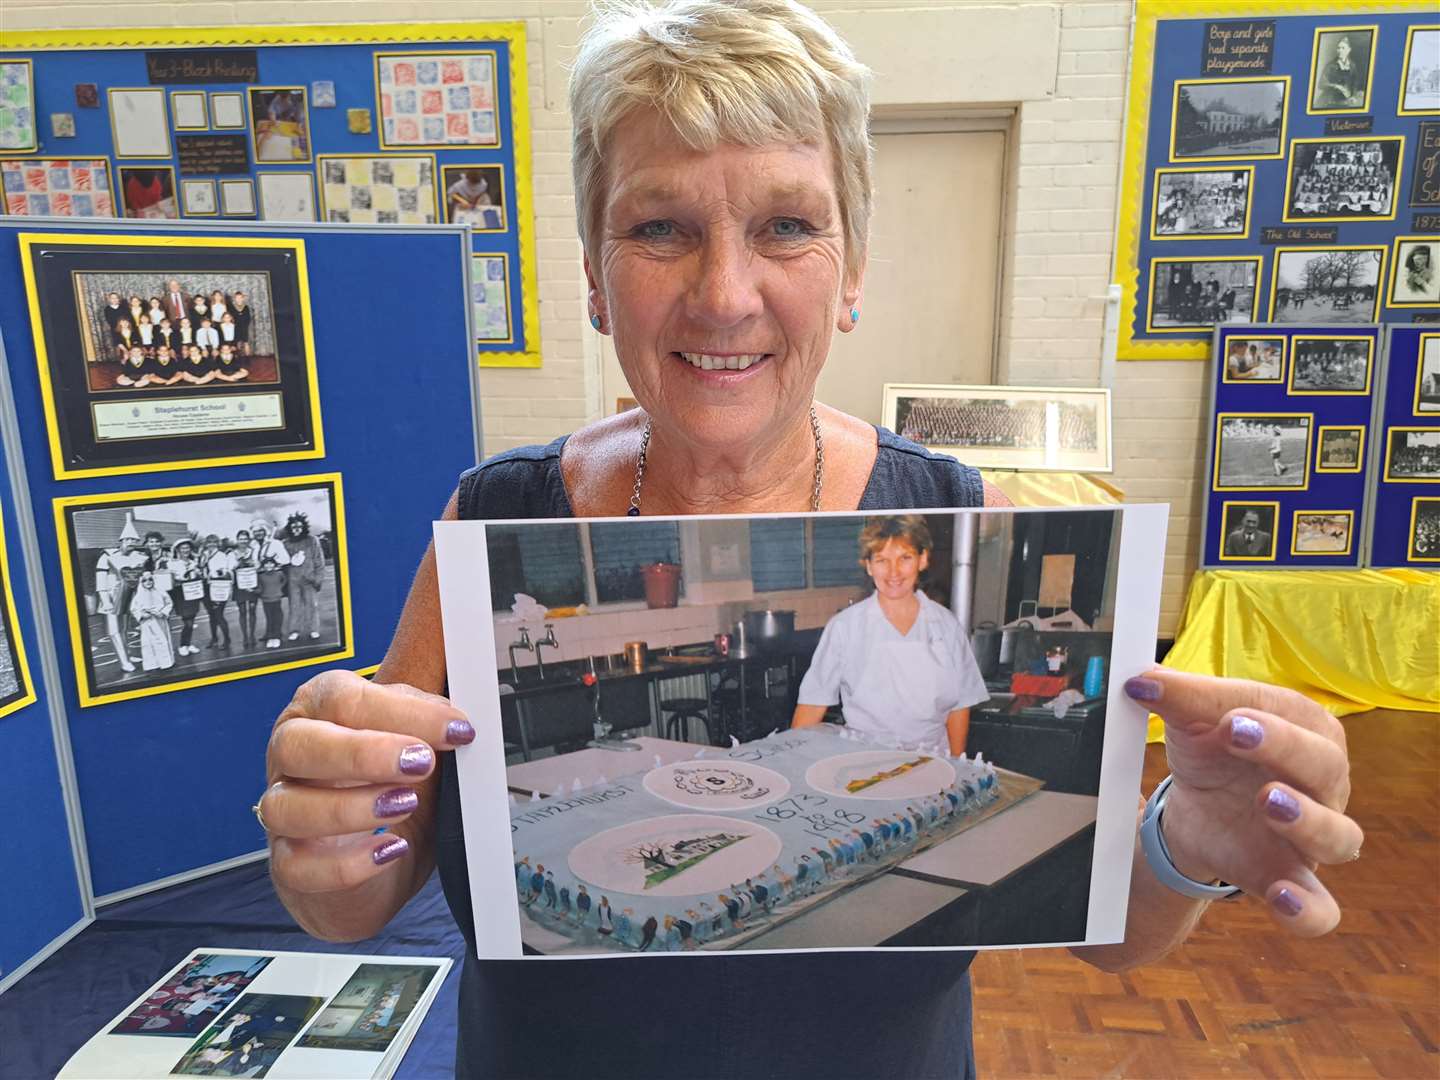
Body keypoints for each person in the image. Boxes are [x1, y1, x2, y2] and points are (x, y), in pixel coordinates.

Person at [258, 4, 1360, 1078]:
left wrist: (1184, 841)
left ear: (854, 271)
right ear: (594, 276)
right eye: (659, 227)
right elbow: (352, 899)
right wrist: (327, 838)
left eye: (786, 225)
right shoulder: (493, 514)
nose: (726, 294)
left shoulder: (954, 501)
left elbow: (1105, 930)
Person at [791, 515, 986, 753]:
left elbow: (960, 704)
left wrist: (957, 767)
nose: (894, 572)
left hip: (933, 764)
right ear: (869, 565)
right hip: (864, 765)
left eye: (905, 558)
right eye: (882, 560)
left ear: (922, 560)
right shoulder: (845, 627)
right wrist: (793, 763)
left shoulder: (946, 624)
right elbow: (812, 704)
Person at [94, 516, 148, 675]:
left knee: (124, 628)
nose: (131, 542)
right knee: (114, 630)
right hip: (110, 597)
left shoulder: (138, 557)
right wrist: (106, 600)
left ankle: (128, 655)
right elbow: (101, 580)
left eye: (134, 539)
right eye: (128, 539)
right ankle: (124, 661)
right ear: (122, 540)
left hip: (127, 596)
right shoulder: (107, 555)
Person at [280, 512, 325, 642]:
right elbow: (283, 563)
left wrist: (318, 579)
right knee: (294, 606)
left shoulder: (312, 540)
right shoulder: (286, 543)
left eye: (299, 526)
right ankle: (294, 630)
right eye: (293, 527)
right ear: (289, 528)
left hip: (309, 580)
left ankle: (314, 629)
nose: (296, 529)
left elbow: (319, 561)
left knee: (312, 605)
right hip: (292, 581)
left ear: (304, 527)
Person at [129, 569, 175, 672]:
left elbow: (169, 603)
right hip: (147, 623)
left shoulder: (161, 591)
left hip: (159, 620)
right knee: (148, 643)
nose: (148, 582)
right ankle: (152, 664)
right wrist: (141, 615)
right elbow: (134, 608)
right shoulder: (139, 595)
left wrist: (162, 612)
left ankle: (166, 662)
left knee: (162, 641)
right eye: (145, 580)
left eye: (150, 579)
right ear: (141, 583)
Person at [166, 537, 205, 657]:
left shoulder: (194, 562)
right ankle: (183, 645)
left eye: (187, 547)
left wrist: (199, 574)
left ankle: (188, 644)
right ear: (178, 549)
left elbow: (199, 577)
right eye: (183, 548)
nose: (185, 550)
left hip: (193, 593)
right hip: (181, 594)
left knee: (191, 620)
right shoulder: (172, 563)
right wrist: (179, 579)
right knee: (187, 621)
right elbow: (170, 581)